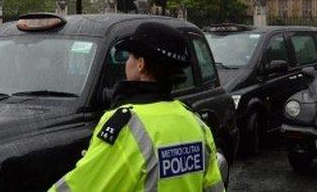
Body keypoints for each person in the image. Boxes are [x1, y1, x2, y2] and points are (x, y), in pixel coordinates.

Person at [50, 21, 224, 192]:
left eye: (129, 57)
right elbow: (213, 186)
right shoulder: (196, 123)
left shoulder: (127, 126)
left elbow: (82, 186)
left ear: (140, 64)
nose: (126, 63)